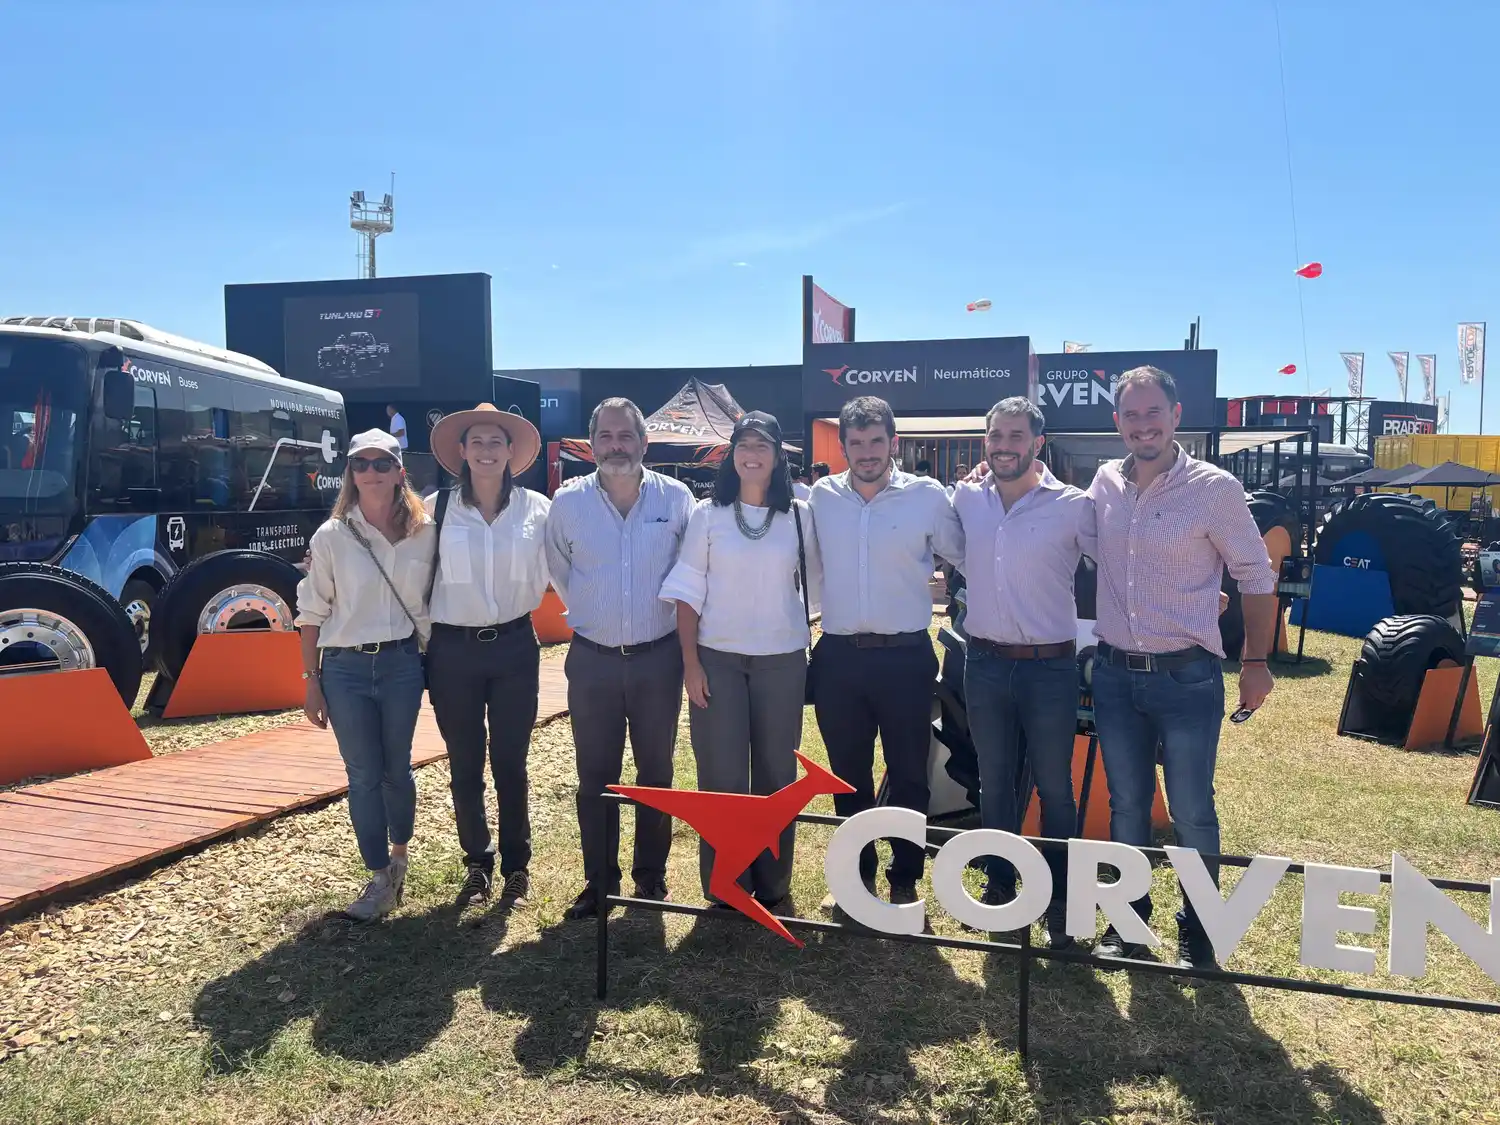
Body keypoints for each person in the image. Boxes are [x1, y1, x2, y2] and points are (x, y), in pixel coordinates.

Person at [1087, 365, 1276, 971]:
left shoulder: (1214, 488)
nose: (1143, 425)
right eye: (1131, 415)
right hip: (1116, 676)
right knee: (1126, 804)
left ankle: (1200, 925)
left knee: (1193, 806)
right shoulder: (1103, 484)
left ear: (1174, 416)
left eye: (1153, 413)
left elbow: (1255, 575)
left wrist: (1257, 661)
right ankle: (1128, 922)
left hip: (1187, 677)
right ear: (1117, 422)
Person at [808, 396, 965, 908]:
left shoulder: (926, 496)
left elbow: (968, 554)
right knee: (846, 774)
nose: (867, 452)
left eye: (877, 441)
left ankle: (905, 878)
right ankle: (858, 879)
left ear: (893, 442)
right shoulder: (821, 498)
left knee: (908, 772)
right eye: (856, 443)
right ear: (845, 446)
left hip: (905, 657)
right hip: (838, 658)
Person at [660, 412, 821, 912]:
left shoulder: (800, 514)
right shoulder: (708, 515)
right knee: (722, 776)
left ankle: (774, 885)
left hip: (781, 661)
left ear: (778, 456)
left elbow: (815, 580)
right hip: (718, 661)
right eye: (744, 445)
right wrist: (690, 663)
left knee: (777, 775)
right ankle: (727, 884)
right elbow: (688, 593)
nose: (753, 454)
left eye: (763, 445)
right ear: (732, 454)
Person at [544, 397, 695, 920]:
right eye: (605, 436)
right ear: (591, 445)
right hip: (593, 660)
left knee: (656, 770)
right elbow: (561, 571)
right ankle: (599, 882)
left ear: (644, 443)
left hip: (659, 658)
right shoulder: (567, 504)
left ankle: (650, 878)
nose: (616, 446)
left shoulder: (677, 500)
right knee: (596, 774)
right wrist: (593, 614)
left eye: (625, 436)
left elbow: (690, 572)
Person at [951, 397, 1093, 949]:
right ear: (986, 441)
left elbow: (1125, 560)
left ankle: (1059, 898)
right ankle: (1001, 886)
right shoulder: (965, 497)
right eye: (995, 436)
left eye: (1015, 436)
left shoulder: (1074, 506)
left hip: (1049, 669)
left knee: (1055, 787)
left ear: (1037, 442)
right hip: (984, 663)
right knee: (994, 782)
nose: (1004, 445)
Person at [296, 430, 433, 922]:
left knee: (397, 768)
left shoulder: (427, 531)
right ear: (350, 474)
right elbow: (311, 610)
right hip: (345, 668)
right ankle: (378, 875)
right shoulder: (332, 536)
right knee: (362, 775)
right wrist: (310, 679)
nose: (371, 472)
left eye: (381, 463)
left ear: (400, 471)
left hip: (401, 663)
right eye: (361, 464)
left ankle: (399, 856)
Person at [425, 403, 549, 914]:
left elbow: (570, 568)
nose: (486, 450)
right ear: (461, 451)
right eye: (476, 441)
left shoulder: (539, 510)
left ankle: (517, 866)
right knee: (464, 762)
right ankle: (477, 862)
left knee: (511, 761)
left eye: (496, 441)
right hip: (452, 650)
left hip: (516, 646)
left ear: (511, 451)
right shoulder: (433, 509)